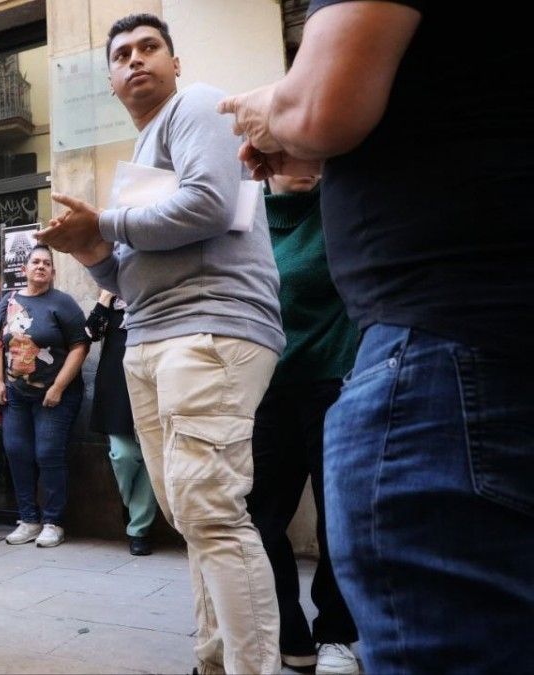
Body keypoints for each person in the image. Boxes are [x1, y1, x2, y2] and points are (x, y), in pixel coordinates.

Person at [217, 2, 534, 671]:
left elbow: (325, 107)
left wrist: (269, 106)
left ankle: (332, 633)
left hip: (442, 349)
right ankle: (294, 639)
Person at [36, 14, 285, 673]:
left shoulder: (196, 106)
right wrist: (90, 247)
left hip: (210, 328)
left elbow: (207, 202)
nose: (136, 60)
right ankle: (212, 656)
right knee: (192, 513)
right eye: (122, 55)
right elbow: (123, 276)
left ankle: (250, 666)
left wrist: (106, 220)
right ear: (113, 81)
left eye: (150, 48)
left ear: (174, 63)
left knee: (211, 510)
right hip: (151, 336)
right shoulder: (139, 159)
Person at [242, 174, 358, 674]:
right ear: (265, 159)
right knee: (258, 514)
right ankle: (287, 626)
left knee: (338, 514)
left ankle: (335, 632)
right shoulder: (246, 217)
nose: (307, 160)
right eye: (291, 150)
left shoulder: (341, 203)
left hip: (336, 380)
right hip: (268, 383)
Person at [0, 246, 87, 548]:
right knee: (16, 452)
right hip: (15, 395)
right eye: (35, 262)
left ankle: (53, 522)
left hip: (54, 397)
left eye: (47, 263)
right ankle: (28, 519)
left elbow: (80, 346)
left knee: (47, 453)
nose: (41, 267)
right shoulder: (8, 302)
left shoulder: (63, 303)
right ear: (25, 269)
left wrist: (58, 386)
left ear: (53, 272)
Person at [85, 290, 155, 557]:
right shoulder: (112, 304)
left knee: (151, 458)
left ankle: (139, 529)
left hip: (152, 383)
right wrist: (105, 297)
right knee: (123, 454)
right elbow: (91, 333)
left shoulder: (153, 295)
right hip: (116, 386)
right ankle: (132, 504)